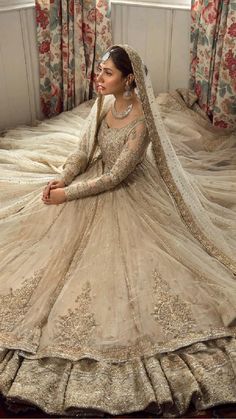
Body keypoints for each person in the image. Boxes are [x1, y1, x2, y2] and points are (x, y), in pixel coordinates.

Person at [0, 44, 235, 417]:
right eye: (100, 70)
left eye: (107, 72)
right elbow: (82, 150)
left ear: (129, 79)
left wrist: (68, 196)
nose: (98, 77)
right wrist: (61, 177)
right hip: (94, 176)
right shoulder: (105, 104)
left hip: (125, 189)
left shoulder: (142, 124)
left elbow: (114, 177)